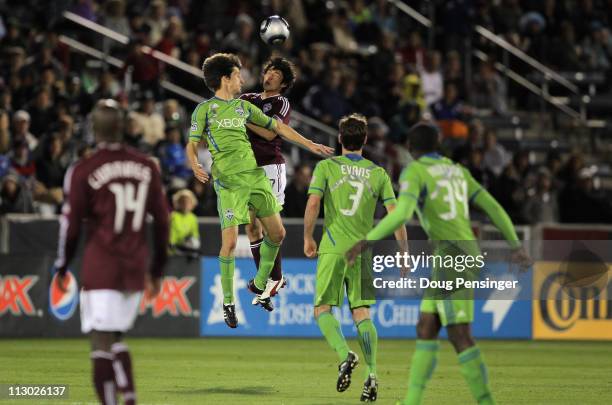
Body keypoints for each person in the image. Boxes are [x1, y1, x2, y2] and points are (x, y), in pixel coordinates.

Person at [346, 123, 531, 405]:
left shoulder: (415, 171)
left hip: (453, 254)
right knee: (426, 326)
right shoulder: (458, 171)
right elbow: (492, 207)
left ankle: (486, 401)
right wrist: (515, 244)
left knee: (459, 334)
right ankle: (411, 401)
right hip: (456, 252)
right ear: (437, 144)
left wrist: (367, 240)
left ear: (410, 146)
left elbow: (403, 213)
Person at [186, 53, 333, 328]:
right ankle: (232, 300)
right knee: (238, 239)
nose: (246, 77)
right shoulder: (214, 107)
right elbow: (193, 142)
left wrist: (311, 144)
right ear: (226, 78)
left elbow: (275, 129)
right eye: (238, 74)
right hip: (230, 182)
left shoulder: (253, 106)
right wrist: (195, 163)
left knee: (276, 232)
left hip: (262, 173)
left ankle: (265, 279)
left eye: (275, 73)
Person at [53, 99, 170, 405]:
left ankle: (118, 400)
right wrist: (157, 270)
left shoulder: (83, 169)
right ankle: (128, 395)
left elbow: (72, 226)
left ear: (93, 129)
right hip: (134, 265)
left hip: (101, 263)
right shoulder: (147, 167)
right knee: (117, 336)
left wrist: (62, 265)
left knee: (100, 342)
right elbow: (163, 222)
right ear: (123, 128)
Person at [303, 114, 407, 402]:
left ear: (339, 139)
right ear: (365, 140)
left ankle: (344, 354)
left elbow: (313, 203)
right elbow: (396, 216)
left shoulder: (326, 166)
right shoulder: (379, 174)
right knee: (362, 313)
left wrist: (308, 237)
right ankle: (372, 373)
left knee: (322, 310)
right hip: (362, 251)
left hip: (334, 246)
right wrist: (404, 253)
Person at [240, 57, 296, 295]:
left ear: (283, 83)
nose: (270, 75)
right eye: (268, 70)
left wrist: (243, 117)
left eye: (276, 73)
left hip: (269, 168)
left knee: (270, 228)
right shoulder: (247, 99)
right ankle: (270, 279)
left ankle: (274, 277)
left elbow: (270, 133)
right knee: (251, 228)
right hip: (246, 170)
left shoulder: (280, 102)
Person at [169, 189, 201, 259]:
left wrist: (190, 246)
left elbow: (195, 236)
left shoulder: (193, 218)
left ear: (192, 204)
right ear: (178, 203)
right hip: (173, 251)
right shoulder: (173, 216)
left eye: (188, 201)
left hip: (186, 251)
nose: (185, 204)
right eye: (183, 201)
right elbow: (171, 237)